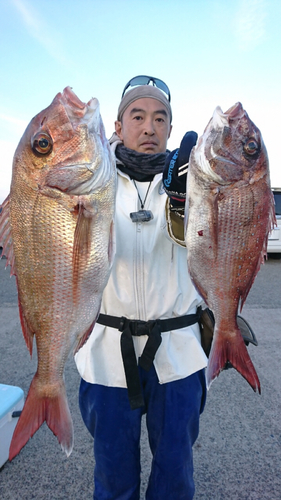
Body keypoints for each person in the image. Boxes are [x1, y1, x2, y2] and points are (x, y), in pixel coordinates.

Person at [75, 75, 208, 500]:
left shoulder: (194, 180)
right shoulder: (90, 180)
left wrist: (193, 194)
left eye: (159, 118)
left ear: (170, 127)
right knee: (113, 479)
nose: (149, 127)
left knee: (175, 477)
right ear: (117, 126)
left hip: (179, 354)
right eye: (138, 116)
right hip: (106, 356)